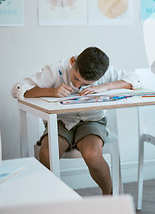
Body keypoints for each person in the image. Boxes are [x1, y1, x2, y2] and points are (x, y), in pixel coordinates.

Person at [12, 46, 141, 195]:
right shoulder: (55, 70)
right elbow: (17, 88)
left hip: (92, 121)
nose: (77, 86)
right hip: (60, 122)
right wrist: (51, 91)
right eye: (76, 78)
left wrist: (105, 86)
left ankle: (109, 197)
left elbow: (136, 79)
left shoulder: (105, 73)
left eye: (86, 84)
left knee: (92, 155)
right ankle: (50, 198)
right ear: (73, 61)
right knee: (47, 153)